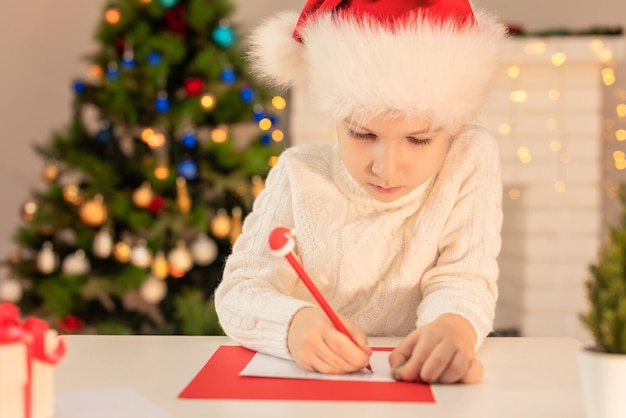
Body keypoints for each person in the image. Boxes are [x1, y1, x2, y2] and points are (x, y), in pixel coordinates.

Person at [215, 0, 508, 384]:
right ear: (335, 117)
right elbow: (240, 290)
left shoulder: (469, 160)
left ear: (453, 124)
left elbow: (463, 277)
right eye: (362, 133)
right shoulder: (298, 173)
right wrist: (294, 326)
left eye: (418, 139)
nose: (385, 168)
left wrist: (454, 327)